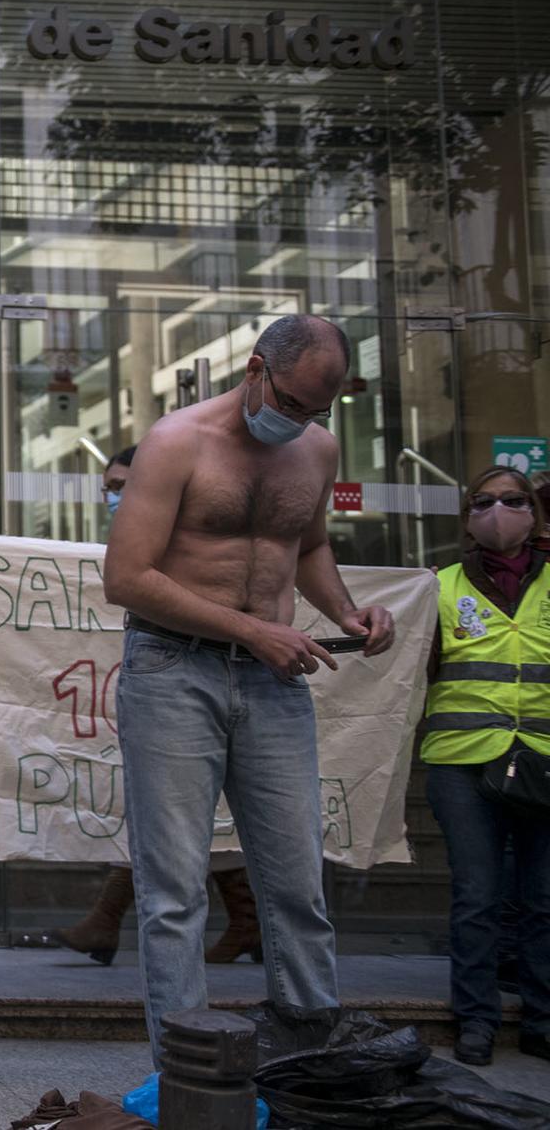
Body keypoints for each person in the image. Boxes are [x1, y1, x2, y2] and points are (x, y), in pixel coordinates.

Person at [103, 313, 395, 1059]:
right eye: (292, 403)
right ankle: (188, 1070)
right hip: (173, 668)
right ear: (257, 369)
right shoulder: (178, 441)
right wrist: (253, 631)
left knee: (297, 882)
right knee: (174, 893)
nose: (300, 422)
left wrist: (346, 610)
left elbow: (310, 543)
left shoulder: (317, 448)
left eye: (318, 411)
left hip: (271, 679)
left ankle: (311, 1056)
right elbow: (126, 578)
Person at [54, 441, 262, 967]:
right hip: (140, 687)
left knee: (176, 813)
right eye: (109, 490)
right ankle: (244, 922)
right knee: (171, 812)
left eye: (124, 487)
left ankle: (122, 923)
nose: (114, 499)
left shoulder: (188, 549)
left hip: (184, 685)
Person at [419, 465, 550, 1067]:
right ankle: (476, 1021)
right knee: (477, 895)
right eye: (485, 501)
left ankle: (541, 1022)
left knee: (544, 899)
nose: (500, 511)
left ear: (535, 513)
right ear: (468, 516)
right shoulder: (439, 586)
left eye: (514, 500)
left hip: (544, 762)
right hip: (463, 765)